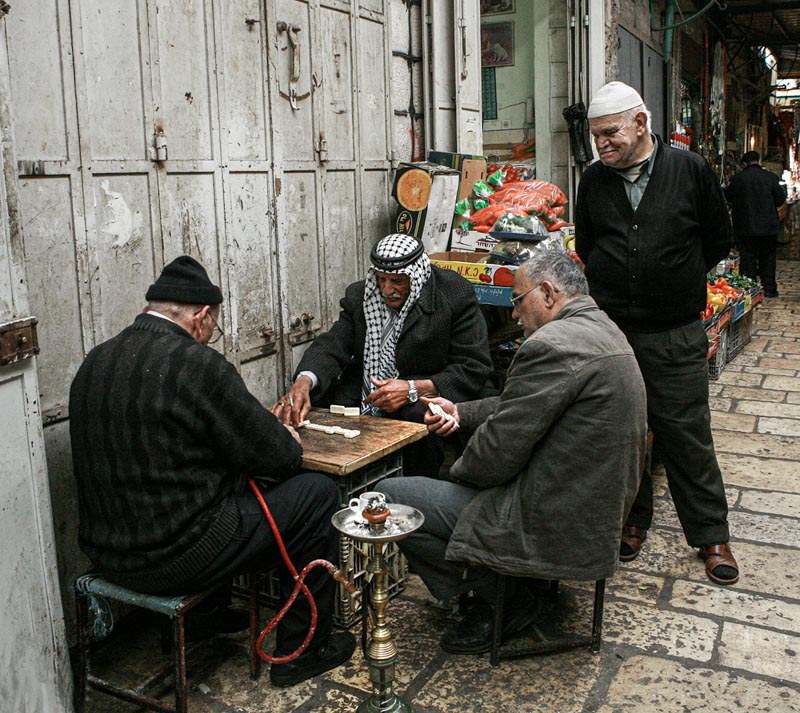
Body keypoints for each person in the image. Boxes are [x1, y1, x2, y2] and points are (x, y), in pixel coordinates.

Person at [69, 255, 355, 687]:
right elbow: (279, 457)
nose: (210, 337)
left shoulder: (96, 360)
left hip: (108, 555)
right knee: (315, 495)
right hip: (176, 560)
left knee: (212, 485)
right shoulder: (197, 366)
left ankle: (204, 617)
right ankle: (303, 650)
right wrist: (287, 441)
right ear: (201, 317)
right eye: (214, 327)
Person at [380, 250, 647, 654]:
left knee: (393, 499)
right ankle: (512, 585)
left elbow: (495, 457)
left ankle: (504, 599)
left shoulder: (552, 344)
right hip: (591, 510)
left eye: (518, 301)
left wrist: (455, 473)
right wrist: (461, 413)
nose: (516, 316)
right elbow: (521, 403)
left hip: (554, 521)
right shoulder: (601, 327)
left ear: (547, 292)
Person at [575, 80, 740, 585]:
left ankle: (711, 534)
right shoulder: (595, 181)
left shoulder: (689, 170)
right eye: (595, 137)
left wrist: (674, 276)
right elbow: (587, 244)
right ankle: (631, 520)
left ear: (640, 123)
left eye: (610, 134)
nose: (601, 145)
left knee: (686, 432)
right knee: (623, 430)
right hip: (614, 333)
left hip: (674, 332)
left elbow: (717, 238)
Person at [280, 233, 495, 476]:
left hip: (430, 385)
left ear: (417, 276)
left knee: (420, 418)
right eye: (381, 279)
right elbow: (334, 343)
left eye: (397, 281)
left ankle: (412, 489)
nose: (386, 289)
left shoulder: (454, 294)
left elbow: (474, 365)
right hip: (369, 385)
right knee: (318, 408)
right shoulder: (360, 296)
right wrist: (304, 381)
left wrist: (413, 388)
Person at [725, 150, 786, 298]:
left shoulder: (737, 179)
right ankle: (770, 288)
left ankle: (750, 290)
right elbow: (780, 198)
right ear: (759, 161)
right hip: (768, 227)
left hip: (745, 227)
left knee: (747, 259)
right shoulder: (770, 177)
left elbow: (727, 197)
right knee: (768, 258)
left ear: (744, 164)